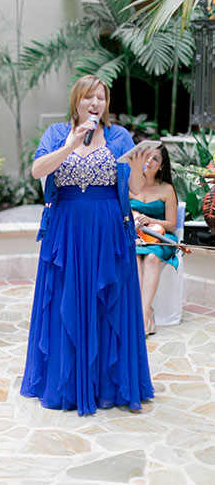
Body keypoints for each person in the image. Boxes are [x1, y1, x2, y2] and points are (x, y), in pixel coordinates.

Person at [20, 75, 154, 416]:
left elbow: (135, 189)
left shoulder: (119, 137)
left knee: (107, 302)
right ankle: (66, 382)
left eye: (101, 98)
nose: (95, 104)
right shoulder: (56, 134)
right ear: (76, 101)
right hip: (66, 229)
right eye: (89, 98)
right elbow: (37, 171)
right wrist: (71, 143)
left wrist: (140, 169)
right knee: (66, 300)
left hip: (108, 228)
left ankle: (108, 384)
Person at [130, 144, 179, 336]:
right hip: (135, 236)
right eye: (147, 156)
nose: (149, 162)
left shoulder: (166, 189)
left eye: (156, 159)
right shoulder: (129, 184)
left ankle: (142, 314)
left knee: (151, 258)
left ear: (162, 166)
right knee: (135, 258)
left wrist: (152, 220)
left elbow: (171, 224)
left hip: (160, 237)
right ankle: (146, 311)